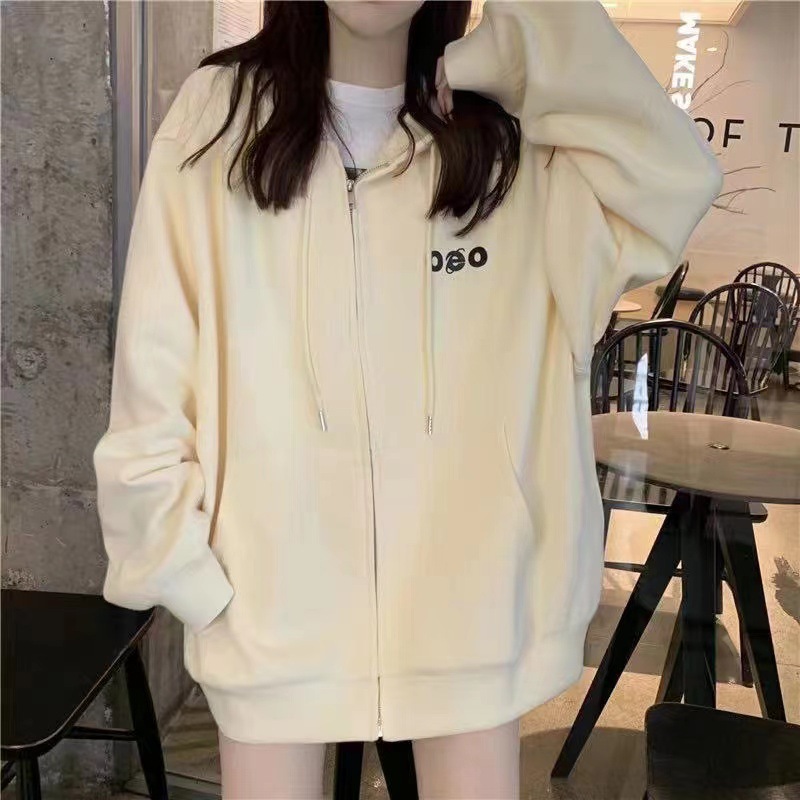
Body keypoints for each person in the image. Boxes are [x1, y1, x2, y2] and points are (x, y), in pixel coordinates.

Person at [92, 0, 723, 797]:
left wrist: (509, 57)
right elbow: (154, 368)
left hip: (476, 621)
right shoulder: (220, 116)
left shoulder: (511, 144)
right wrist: (192, 578)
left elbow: (676, 177)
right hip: (266, 618)